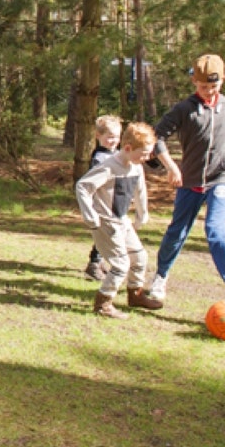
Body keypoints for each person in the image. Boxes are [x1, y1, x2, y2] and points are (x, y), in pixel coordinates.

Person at [146, 54, 225, 310]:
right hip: (190, 179)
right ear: (194, 82)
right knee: (177, 231)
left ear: (223, 81)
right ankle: (160, 277)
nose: (208, 92)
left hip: (222, 177)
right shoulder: (183, 109)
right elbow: (156, 136)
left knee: (215, 230)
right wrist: (172, 167)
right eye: (202, 86)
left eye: (213, 87)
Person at [75, 122, 164, 318]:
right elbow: (82, 186)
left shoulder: (136, 166)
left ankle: (135, 295)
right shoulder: (109, 166)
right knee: (121, 265)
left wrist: (142, 213)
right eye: (143, 153)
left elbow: (140, 190)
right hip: (105, 222)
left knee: (139, 258)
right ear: (128, 148)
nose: (147, 158)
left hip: (122, 221)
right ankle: (103, 304)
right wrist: (90, 216)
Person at [83, 115, 122, 281]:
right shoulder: (99, 158)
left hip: (116, 201)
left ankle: (98, 261)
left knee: (108, 234)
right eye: (110, 137)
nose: (113, 141)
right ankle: (94, 263)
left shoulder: (117, 154)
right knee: (105, 234)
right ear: (98, 136)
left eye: (117, 137)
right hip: (102, 203)